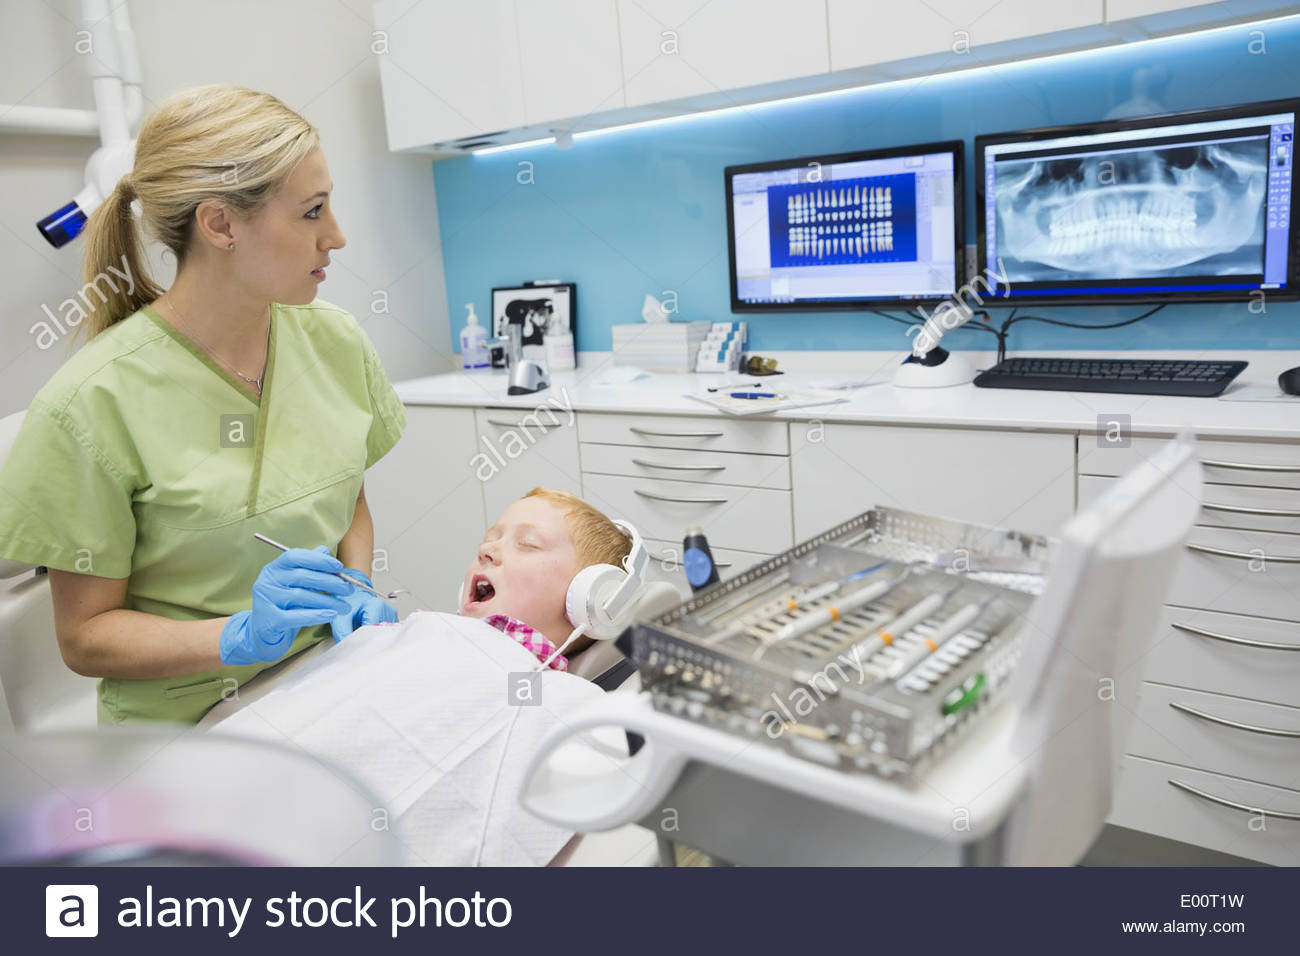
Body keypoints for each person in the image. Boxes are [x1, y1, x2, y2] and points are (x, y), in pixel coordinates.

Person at [0, 84, 406, 725]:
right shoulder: (92, 403)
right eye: (312, 212)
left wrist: (354, 587)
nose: (337, 237)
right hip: (182, 729)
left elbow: (346, 498)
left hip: (322, 679)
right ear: (220, 224)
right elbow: (84, 636)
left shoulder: (335, 340)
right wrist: (240, 636)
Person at [458, 487, 636, 678]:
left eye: (527, 543)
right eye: (490, 539)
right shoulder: (434, 628)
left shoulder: (531, 690)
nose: (485, 549)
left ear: (582, 600)